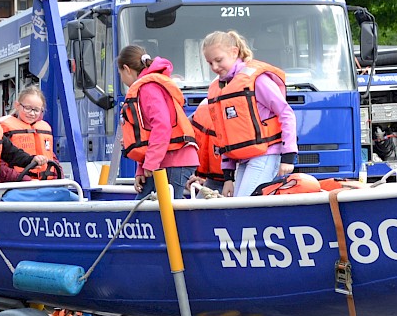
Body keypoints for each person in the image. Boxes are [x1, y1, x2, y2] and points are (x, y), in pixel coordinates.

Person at [201, 29, 298, 197]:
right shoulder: (221, 88)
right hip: (243, 159)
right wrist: (228, 177)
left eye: (218, 60)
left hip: (266, 153)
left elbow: (286, 113)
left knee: (243, 205)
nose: (215, 67)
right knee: (239, 206)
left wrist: (288, 155)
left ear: (234, 52)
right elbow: (225, 135)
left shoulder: (256, 80)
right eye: (210, 63)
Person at [116, 45, 199, 199]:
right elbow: (148, 134)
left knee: (160, 216)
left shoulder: (148, 88)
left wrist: (150, 163)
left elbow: (162, 126)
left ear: (126, 69)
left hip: (174, 161)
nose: (121, 78)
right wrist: (142, 168)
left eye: (120, 73)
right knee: (145, 213)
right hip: (165, 161)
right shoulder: (150, 86)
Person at [0, 85, 59, 181]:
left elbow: (53, 158)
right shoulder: (3, 129)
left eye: (36, 110)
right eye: (27, 108)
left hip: (46, 184)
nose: (32, 113)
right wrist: (24, 179)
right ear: (17, 105)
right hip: (15, 185)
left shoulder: (44, 129)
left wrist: (58, 178)